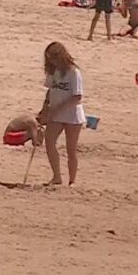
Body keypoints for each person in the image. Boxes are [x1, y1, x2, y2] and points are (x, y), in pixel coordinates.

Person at [38, 42, 85, 186]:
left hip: (72, 115)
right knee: (49, 141)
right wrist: (45, 108)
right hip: (55, 114)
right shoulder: (53, 72)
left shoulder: (74, 72)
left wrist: (58, 108)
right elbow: (50, 91)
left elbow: (77, 96)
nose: (52, 62)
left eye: (54, 58)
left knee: (71, 149)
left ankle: (72, 180)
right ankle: (56, 176)